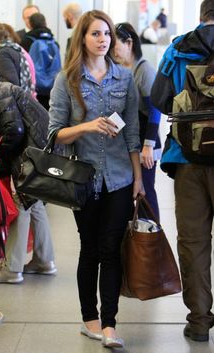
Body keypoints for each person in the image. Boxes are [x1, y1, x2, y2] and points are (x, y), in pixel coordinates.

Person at [48, 9, 144, 348]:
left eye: (107, 34)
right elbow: (54, 134)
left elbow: (132, 131)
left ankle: (109, 325)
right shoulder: (67, 80)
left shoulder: (124, 78)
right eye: (95, 34)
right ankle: (89, 318)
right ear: (82, 39)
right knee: (90, 249)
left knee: (111, 250)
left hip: (118, 178)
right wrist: (87, 125)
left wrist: (138, 178)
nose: (103, 40)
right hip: (83, 179)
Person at [151, 0, 214, 342]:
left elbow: (159, 99)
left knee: (193, 243)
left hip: (188, 160)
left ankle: (200, 321)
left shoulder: (179, 48)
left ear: (201, 15)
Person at [0, 23, 57, 283]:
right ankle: (44, 261)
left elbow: (13, 129)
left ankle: (12, 269)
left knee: (20, 202)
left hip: (29, 148)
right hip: (38, 143)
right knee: (34, 203)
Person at [115, 22, 161, 220]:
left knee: (145, 193)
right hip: (130, 141)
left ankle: (152, 239)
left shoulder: (144, 70)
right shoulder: (121, 70)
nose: (112, 52)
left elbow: (155, 109)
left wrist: (148, 146)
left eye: (115, 47)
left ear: (129, 43)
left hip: (146, 142)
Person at [21, 13, 61, 110]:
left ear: (30, 24)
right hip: (52, 87)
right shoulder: (54, 41)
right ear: (45, 23)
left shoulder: (27, 41)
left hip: (35, 89)